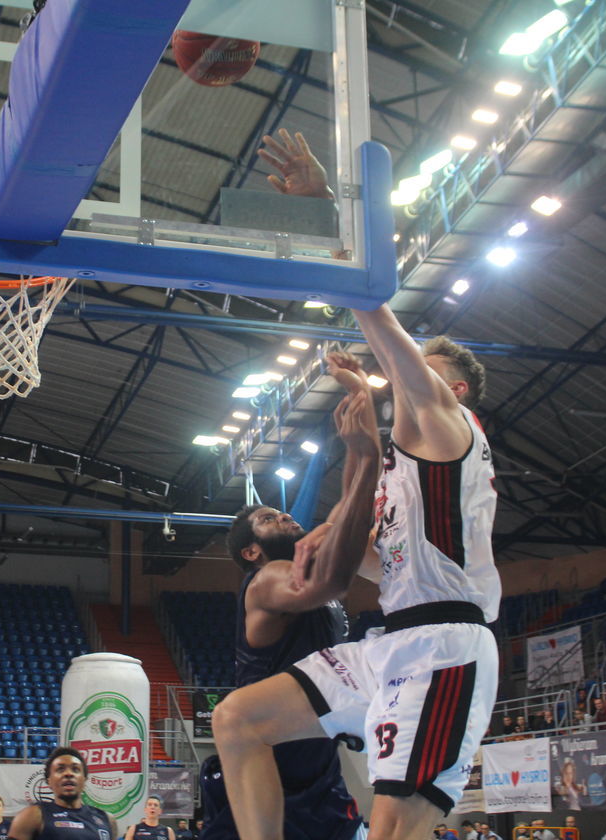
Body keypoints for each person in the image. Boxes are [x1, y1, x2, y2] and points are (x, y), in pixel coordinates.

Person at [214, 134, 501, 835]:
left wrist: (321, 212)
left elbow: (376, 315)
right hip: (389, 642)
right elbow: (380, 562)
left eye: (421, 367)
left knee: (390, 830)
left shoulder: (448, 421)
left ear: (454, 387)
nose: (404, 374)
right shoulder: (410, 459)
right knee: (238, 719)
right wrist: (334, 532)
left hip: (444, 650)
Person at [200, 353, 378, 840]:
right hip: (266, 764)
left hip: (317, 767)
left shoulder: (298, 561)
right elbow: (332, 581)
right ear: (252, 550)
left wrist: (361, 436)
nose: (282, 516)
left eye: (280, 512)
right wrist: (367, 460)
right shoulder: (268, 579)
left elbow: (346, 509)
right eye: (267, 518)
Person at [7, 747, 117, 839]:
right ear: (49, 781)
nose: (68, 774)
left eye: (75, 769)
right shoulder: (32, 816)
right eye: (60, 769)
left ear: (84, 779)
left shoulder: (106, 819)